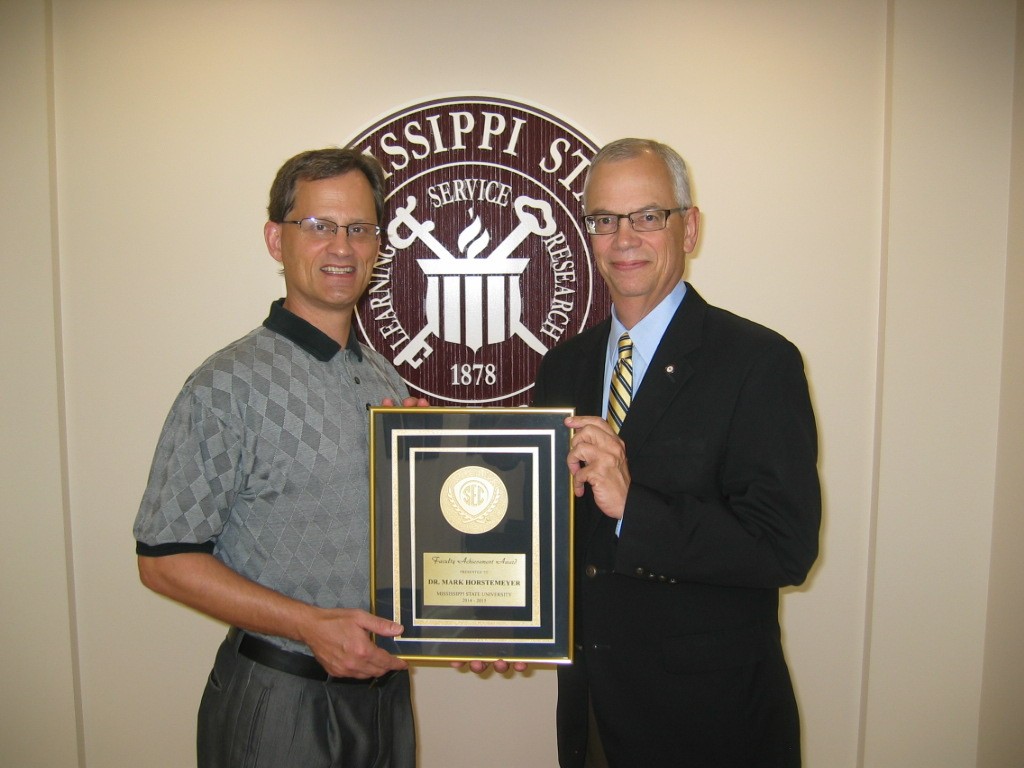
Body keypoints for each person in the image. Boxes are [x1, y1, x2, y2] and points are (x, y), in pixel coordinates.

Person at [532, 138, 821, 767]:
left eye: (647, 216)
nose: (623, 238)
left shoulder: (758, 363)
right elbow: (544, 531)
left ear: (687, 228)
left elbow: (785, 546)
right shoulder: (563, 367)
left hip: (712, 726)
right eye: (605, 220)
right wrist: (486, 615)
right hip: (590, 715)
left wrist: (635, 505)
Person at [134, 148, 426, 768]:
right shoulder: (225, 386)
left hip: (386, 697)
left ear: (377, 244)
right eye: (318, 226)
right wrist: (308, 626)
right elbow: (163, 559)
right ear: (276, 239)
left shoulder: (388, 384)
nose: (341, 247)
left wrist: (478, 619)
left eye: (359, 228)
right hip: (280, 701)